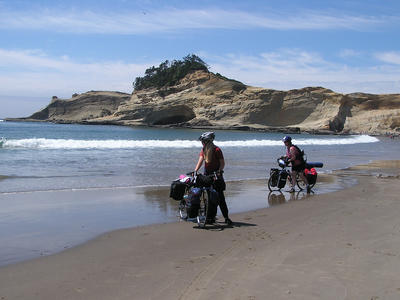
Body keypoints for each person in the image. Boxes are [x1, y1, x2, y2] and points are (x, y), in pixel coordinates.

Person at [194, 132, 233, 225]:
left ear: (207, 141)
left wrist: (219, 171)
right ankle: (210, 217)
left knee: (220, 198)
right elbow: (200, 161)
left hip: (216, 176)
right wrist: (195, 171)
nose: (202, 143)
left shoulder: (217, 149)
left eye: (203, 141)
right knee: (209, 198)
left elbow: (222, 163)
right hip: (207, 176)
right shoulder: (203, 150)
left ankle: (226, 217)